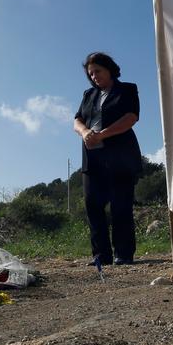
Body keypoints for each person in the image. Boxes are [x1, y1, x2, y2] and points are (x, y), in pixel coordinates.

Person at [73, 52, 143, 267]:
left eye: (98, 71)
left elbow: (131, 117)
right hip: (92, 159)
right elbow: (77, 119)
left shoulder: (128, 89)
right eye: (90, 74)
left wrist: (102, 134)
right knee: (93, 205)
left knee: (120, 206)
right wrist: (85, 132)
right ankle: (101, 255)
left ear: (110, 69)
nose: (94, 76)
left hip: (120, 157)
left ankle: (123, 254)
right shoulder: (88, 95)